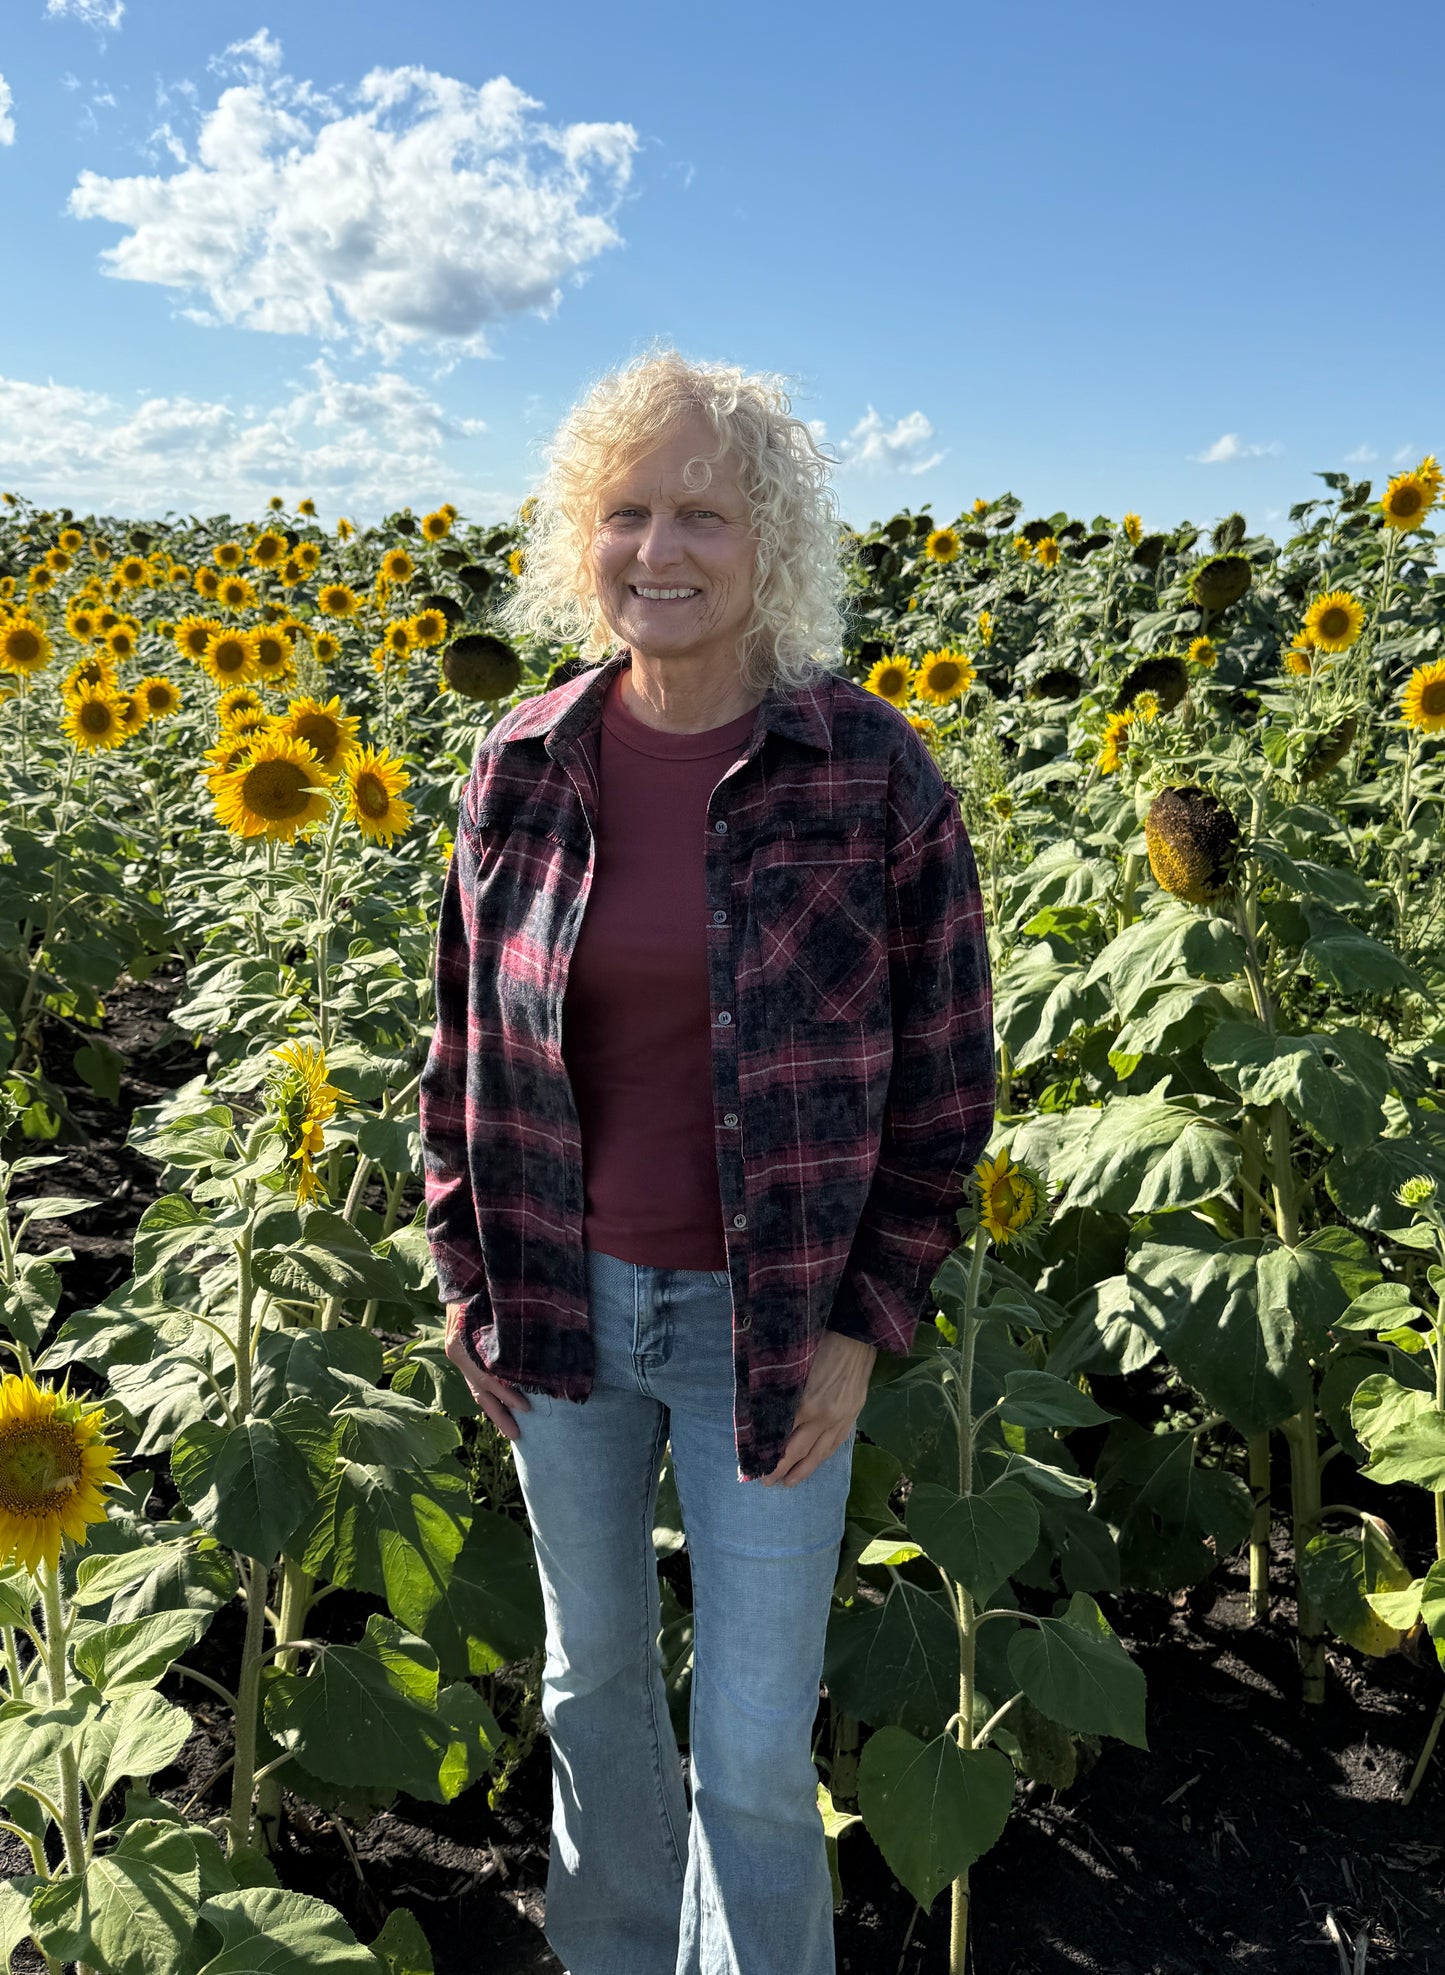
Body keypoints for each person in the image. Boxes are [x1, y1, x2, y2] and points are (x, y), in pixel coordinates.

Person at [418, 347, 995, 1975]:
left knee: (750, 1748)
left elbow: (948, 1085)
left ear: (772, 546)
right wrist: (470, 1286)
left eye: (702, 516)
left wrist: (861, 1323)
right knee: (589, 1695)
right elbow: (460, 1051)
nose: (656, 551)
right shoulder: (520, 763)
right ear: (575, 535)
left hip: (771, 1326)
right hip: (561, 1309)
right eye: (624, 512)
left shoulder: (868, 772)